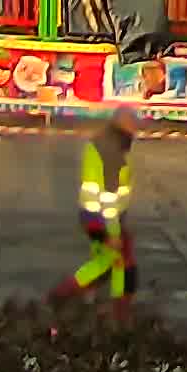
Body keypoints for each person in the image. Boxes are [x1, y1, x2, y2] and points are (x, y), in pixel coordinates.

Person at [70, 113, 136, 299]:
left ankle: (98, 299)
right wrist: (113, 232)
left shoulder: (100, 144)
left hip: (92, 214)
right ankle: (65, 293)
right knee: (110, 260)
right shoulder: (111, 152)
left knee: (107, 259)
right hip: (102, 217)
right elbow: (109, 197)